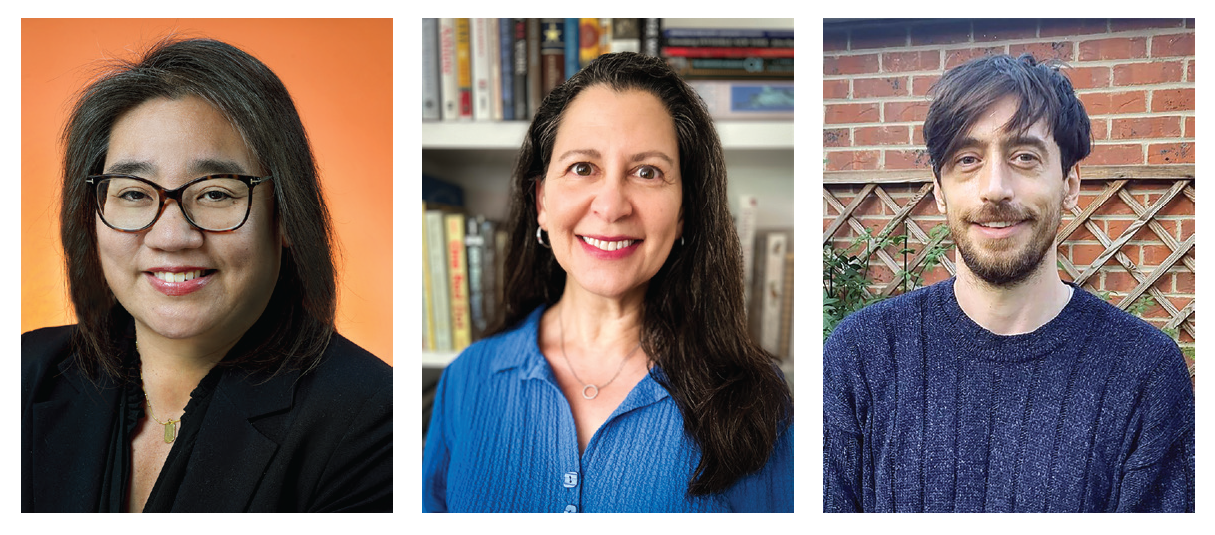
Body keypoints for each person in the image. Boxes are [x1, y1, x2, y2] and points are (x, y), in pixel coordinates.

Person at [21, 37, 392, 512]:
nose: (172, 236)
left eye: (216, 194)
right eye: (133, 194)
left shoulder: (371, 419)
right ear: (90, 215)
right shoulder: (26, 372)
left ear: (286, 216)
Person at [422, 52, 793, 513]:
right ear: (541, 200)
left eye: (647, 172)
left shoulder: (756, 398)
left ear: (684, 213)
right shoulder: (468, 379)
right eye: (583, 168)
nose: (612, 205)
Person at [823, 54, 1194, 513]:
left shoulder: (1144, 373)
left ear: (1070, 183)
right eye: (967, 158)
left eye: (1024, 157)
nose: (994, 188)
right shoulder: (860, 356)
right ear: (939, 190)